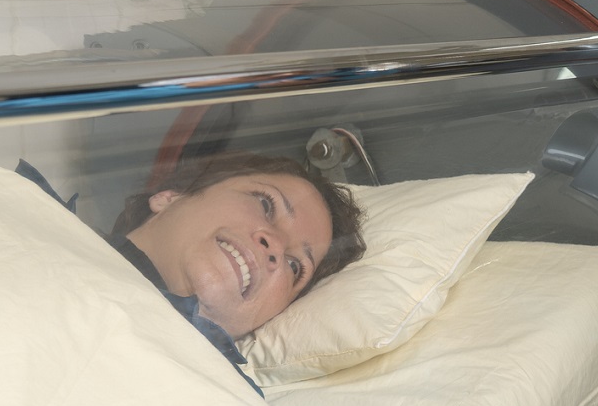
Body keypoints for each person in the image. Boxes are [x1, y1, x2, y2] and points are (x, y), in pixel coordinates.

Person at [23, 150, 364, 390]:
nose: (274, 245)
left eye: (294, 266)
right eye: (265, 204)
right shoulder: (18, 215)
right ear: (171, 196)